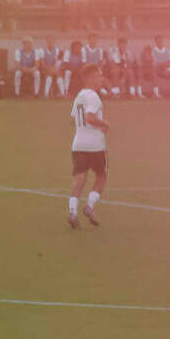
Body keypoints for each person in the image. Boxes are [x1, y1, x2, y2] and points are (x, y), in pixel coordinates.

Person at [68, 63, 110, 229]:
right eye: (99, 76)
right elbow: (90, 117)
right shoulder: (93, 96)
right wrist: (104, 123)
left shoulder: (79, 96)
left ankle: (72, 211)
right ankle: (90, 206)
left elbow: (74, 119)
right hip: (95, 145)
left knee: (79, 178)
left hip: (78, 144)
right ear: (91, 78)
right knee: (101, 175)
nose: (101, 79)